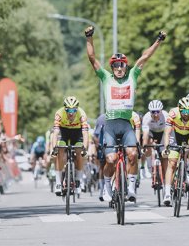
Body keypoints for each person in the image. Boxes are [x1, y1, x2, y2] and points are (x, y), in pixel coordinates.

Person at [85, 25, 166, 203]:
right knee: (111, 159)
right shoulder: (106, 78)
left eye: (122, 65)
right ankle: (106, 187)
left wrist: (158, 41)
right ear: (112, 67)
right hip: (111, 125)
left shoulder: (132, 77)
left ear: (126, 66)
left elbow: (145, 57)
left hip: (126, 124)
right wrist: (89, 37)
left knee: (132, 154)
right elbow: (92, 58)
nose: (119, 68)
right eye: (116, 65)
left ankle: (130, 188)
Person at [161, 96, 189, 206]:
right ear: (180, 110)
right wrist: (166, 148)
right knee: (172, 162)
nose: (186, 113)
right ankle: (167, 193)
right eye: (184, 111)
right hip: (176, 135)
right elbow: (167, 132)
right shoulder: (173, 113)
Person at [49, 96, 90, 196]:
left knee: (79, 152)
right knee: (60, 151)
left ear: (77, 109)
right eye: (68, 110)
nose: (71, 113)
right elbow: (55, 133)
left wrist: (84, 148)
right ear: (65, 109)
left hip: (77, 134)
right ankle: (58, 183)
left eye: (74, 110)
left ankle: (78, 179)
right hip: (64, 133)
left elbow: (85, 134)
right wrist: (54, 148)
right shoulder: (59, 114)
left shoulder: (82, 114)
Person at [141, 100, 168, 180]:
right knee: (147, 144)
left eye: (157, 111)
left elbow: (167, 133)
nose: (155, 114)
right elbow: (145, 135)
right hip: (151, 133)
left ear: (161, 111)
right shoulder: (146, 117)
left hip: (163, 133)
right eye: (153, 112)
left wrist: (166, 147)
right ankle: (149, 166)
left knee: (164, 154)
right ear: (150, 111)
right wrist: (144, 147)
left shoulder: (166, 116)